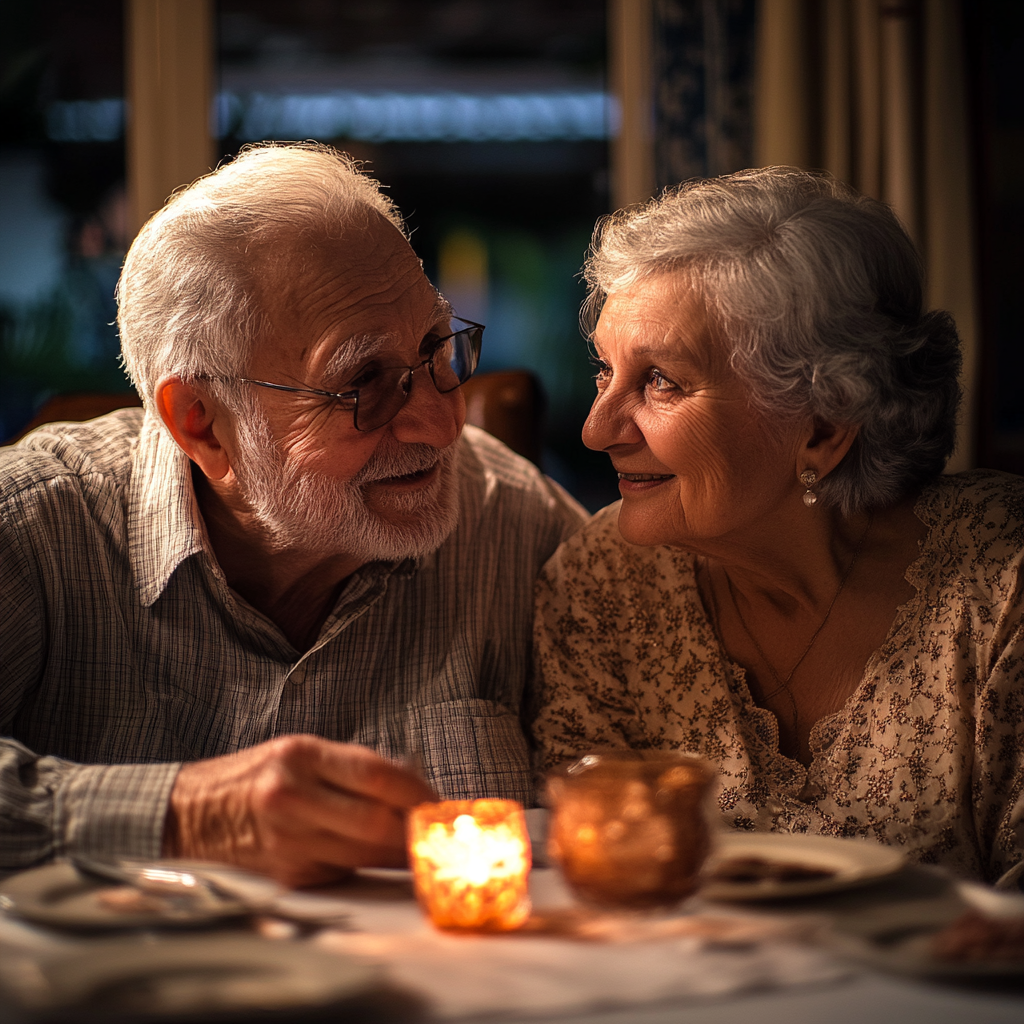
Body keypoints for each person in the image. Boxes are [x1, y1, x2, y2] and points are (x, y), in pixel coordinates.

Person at [0, 143, 585, 886]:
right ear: (204, 423)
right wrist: (187, 816)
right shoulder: (36, 526)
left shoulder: (513, 519)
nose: (442, 427)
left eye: (438, 350)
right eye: (363, 383)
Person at [531, 167, 1024, 889]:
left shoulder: (1001, 578)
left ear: (823, 428)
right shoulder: (603, 584)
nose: (596, 429)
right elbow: (589, 871)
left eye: (661, 381)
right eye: (604, 372)